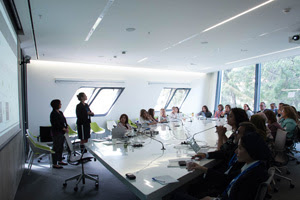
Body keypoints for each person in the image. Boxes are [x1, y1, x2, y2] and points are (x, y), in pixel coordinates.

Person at [199, 132, 270, 200]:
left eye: (240, 148)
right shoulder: (253, 166)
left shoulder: (252, 176)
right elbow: (228, 178)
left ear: (250, 150)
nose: (236, 151)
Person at [50, 99, 68, 169]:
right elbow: (55, 124)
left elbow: (64, 121)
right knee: (56, 147)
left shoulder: (60, 112)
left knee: (61, 147)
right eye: (60, 104)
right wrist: (63, 128)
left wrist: (67, 127)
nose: (61, 105)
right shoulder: (53, 114)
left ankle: (60, 160)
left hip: (62, 132)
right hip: (56, 132)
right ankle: (55, 163)